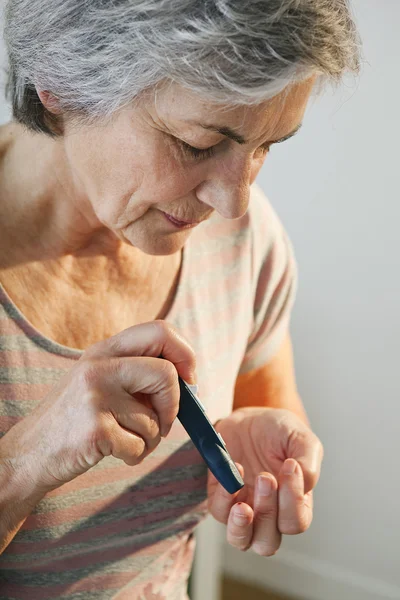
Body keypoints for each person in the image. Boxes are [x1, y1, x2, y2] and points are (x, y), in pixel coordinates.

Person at [0, 0, 360, 598]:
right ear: (59, 84)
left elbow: (268, 409)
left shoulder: (246, 240)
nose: (235, 202)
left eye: (268, 145)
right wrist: (29, 459)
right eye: (198, 144)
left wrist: (268, 458)